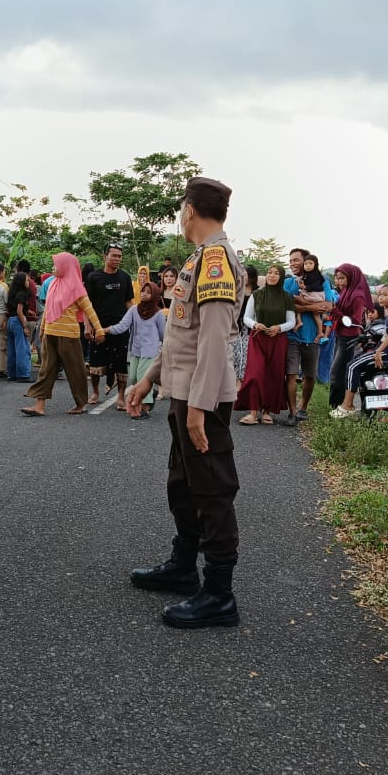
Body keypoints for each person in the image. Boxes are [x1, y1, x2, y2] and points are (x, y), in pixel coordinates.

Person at [127, 177, 246, 628]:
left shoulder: (216, 259)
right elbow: (182, 337)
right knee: (183, 482)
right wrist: (148, 381)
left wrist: (199, 405)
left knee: (213, 489)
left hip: (202, 397)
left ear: (190, 210)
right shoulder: (199, 258)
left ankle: (219, 593)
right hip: (181, 391)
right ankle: (183, 567)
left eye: (181, 209)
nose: (181, 216)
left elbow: (216, 339)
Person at [21, 252, 105, 417]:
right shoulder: (52, 284)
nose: (54, 268)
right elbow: (48, 309)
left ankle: (81, 403)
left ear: (66, 267)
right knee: (46, 369)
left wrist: (99, 329)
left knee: (75, 370)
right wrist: (43, 328)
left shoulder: (76, 288)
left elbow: (89, 310)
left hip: (69, 335)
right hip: (51, 333)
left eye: (57, 265)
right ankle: (39, 405)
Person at [331, 283, 388, 418]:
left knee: (352, 366)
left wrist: (379, 351)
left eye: (385, 295)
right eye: (379, 295)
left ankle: (347, 405)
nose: (381, 298)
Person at [235, 264, 295, 426]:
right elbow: (246, 318)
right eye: (269, 273)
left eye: (276, 273)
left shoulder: (286, 297)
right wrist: (255, 325)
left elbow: (292, 321)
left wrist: (279, 328)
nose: (272, 276)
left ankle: (267, 411)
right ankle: (253, 412)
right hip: (258, 338)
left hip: (278, 340)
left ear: (281, 277)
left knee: (273, 374)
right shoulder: (257, 294)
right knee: (255, 373)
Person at [283, 248, 334, 425]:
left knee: (310, 375)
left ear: (307, 262)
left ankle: (303, 408)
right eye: (290, 261)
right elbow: (286, 304)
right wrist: (311, 307)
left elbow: (328, 305)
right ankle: (292, 412)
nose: (293, 264)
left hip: (313, 336)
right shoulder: (289, 282)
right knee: (290, 374)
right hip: (292, 335)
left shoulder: (322, 280)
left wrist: (302, 304)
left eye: (296, 260)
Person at [104, 280, 166, 420]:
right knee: (133, 378)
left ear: (155, 295)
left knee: (142, 378)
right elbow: (123, 326)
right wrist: (107, 330)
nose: (144, 294)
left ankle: (145, 408)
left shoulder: (158, 314)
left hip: (150, 352)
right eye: (143, 291)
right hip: (135, 350)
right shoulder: (134, 310)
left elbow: (164, 334)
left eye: (149, 292)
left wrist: (165, 351)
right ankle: (150, 393)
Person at [86, 244, 133, 409]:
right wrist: (87, 326)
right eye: (114, 256)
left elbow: (129, 303)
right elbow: (87, 304)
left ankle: (120, 397)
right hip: (98, 327)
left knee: (120, 362)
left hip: (121, 327)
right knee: (96, 361)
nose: (117, 259)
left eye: (119, 256)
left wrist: (136, 321)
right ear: (105, 257)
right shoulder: (93, 277)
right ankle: (95, 393)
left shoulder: (125, 278)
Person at [327, 263, 373, 410]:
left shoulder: (357, 296)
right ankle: (335, 406)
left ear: (351, 277)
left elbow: (354, 321)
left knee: (337, 372)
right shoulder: (346, 291)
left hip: (349, 338)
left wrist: (335, 312)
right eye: (337, 278)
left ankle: (337, 407)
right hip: (339, 335)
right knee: (336, 372)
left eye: (342, 278)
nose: (338, 281)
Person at [231, 265, 257, 389]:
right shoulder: (235, 292)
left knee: (246, 355)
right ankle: (237, 381)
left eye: (245, 274)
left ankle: (243, 382)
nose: (242, 277)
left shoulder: (257, 293)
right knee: (236, 354)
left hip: (251, 329)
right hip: (236, 327)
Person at [298, 255, 334, 344]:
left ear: (315, 264)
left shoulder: (316, 275)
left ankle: (299, 322)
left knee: (297, 300)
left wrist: (305, 286)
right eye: (306, 264)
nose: (307, 265)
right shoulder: (306, 275)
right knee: (316, 316)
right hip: (312, 295)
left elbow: (316, 287)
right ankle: (320, 332)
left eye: (310, 263)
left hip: (314, 295)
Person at [6, 270, 33, 382]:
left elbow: (14, 308)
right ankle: (23, 374)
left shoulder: (12, 293)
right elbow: (19, 311)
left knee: (12, 349)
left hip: (10, 321)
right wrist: (25, 326)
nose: (29, 282)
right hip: (18, 321)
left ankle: (12, 374)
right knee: (22, 348)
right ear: (22, 282)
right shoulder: (22, 294)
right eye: (27, 280)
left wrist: (28, 311)